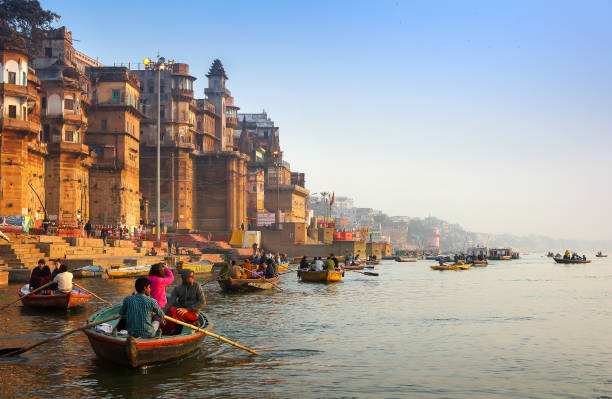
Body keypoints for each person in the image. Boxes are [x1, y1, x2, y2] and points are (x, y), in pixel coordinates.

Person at [163, 270, 206, 335]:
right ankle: (168, 331)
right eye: (190, 276)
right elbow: (170, 303)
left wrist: (187, 309)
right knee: (168, 311)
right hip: (181, 313)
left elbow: (202, 302)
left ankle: (168, 332)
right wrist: (161, 313)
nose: (192, 278)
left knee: (171, 311)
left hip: (193, 314)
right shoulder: (177, 288)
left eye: (193, 276)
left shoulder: (197, 286)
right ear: (184, 277)